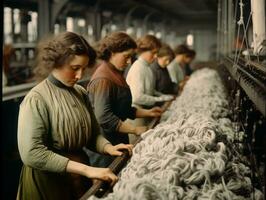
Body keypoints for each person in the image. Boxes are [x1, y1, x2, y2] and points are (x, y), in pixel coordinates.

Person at [16, 32, 132, 200]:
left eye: (83, 69)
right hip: (48, 183)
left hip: (78, 177)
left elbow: (92, 134)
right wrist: (87, 170)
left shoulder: (80, 92)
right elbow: (31, 153)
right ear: (56, 62)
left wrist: (108, 147)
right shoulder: (36, 98)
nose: (79, 76)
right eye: (74, 68)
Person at [86, 32, 163, 167]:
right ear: (111, 53)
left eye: (131, 57)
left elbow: (124, 109)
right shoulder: (103, 79)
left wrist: (149, 113)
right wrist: (135, 130)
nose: (128, 62)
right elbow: (104, 117)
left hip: (117, 138)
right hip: (105, 144)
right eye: (126, 57)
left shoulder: (115, 73)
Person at [126, 35, 174, 113]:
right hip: (136, 113)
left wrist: (163, 96)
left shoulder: (147, 67)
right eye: (153, 53)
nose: (155, 56)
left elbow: (150, 90)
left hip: (145, 110)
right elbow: (137, 97)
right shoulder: (138, 68)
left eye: (157, 53)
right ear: (142, 51)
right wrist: (160, 99)